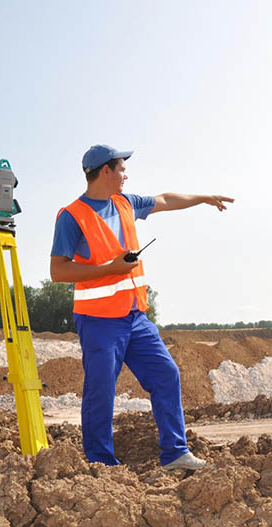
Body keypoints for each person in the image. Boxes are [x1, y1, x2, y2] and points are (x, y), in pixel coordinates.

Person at [49, 144, 233, 471]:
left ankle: (175, 454)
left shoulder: (126, 203)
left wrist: (202, 198)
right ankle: (101, 464)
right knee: (101, 392)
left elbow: (165, 200)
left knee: (166, 374)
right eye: (121, 168)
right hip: (98, 321)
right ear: (104, 171)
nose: (126, 175)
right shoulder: (71, 216)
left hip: (136, 318)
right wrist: (109, 268)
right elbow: (58, 271)